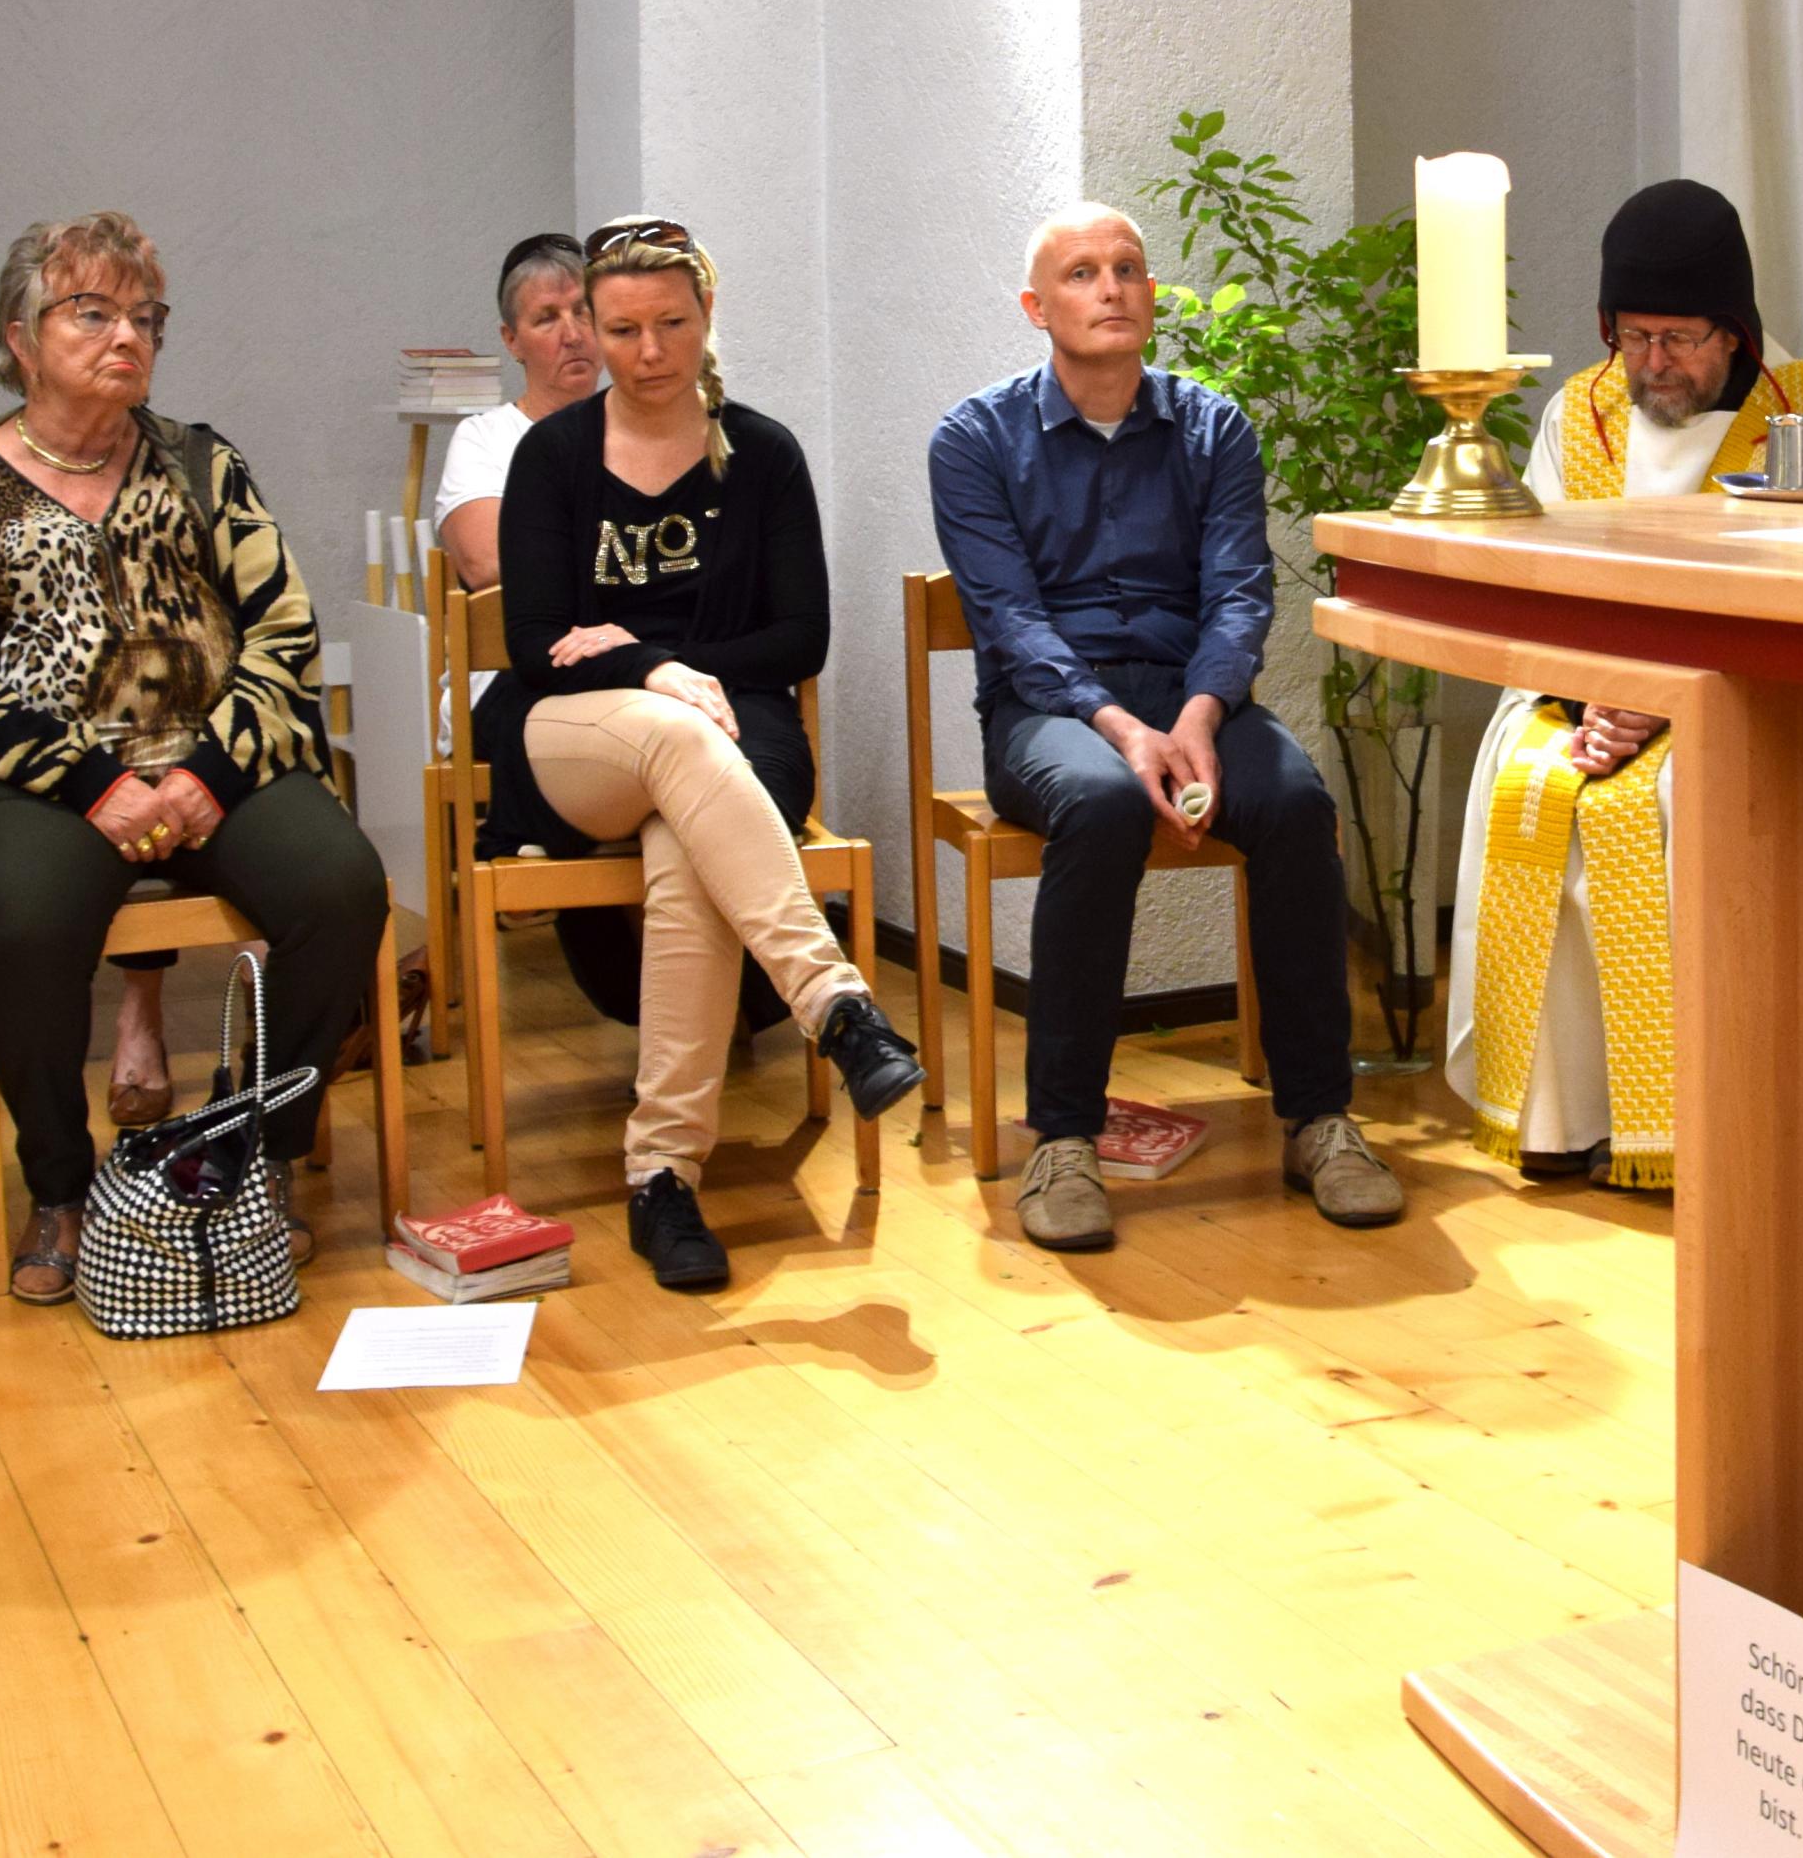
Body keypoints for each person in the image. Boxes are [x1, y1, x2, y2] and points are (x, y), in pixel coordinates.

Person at [0, 210, 388, 1306]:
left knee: (342, 887)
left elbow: (284, 632)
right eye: (92, 311)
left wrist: (206, 775)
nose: (127, 334)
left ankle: (253, 1155)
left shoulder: (204, 464)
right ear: (21, 336)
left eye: (145, 316)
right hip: (37, 784)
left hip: (213, 761)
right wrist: (94, 784)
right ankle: (61, 1187)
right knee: (23, 919)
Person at [927, 203, 1402, 1253]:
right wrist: (1120, 728)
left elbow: (1238, 591)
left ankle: (1319, 1117)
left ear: (1150, 291)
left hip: (1192, 696)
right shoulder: (974, 438)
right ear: (1035, 306)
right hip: (1050, 709)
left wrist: (1195, 712)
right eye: (1082, 272)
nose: (1111, 288)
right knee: (1100, 805)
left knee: (1295, 801)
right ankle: (1064, 1137)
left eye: (1128, 268)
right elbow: (1008, 618)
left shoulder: (1213, 426)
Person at [488, 216, 923, 1290]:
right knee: (679, 738)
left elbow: (801, 637)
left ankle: (664, 1178)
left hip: (736, 727)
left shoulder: (763, 453)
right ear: (592, 328)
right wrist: (655, 672)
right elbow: (534, 642)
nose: (648, 351)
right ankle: (835, 1004)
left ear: (707, 314)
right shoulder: (552, 455)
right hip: (576, 732)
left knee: (686, 843)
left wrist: (654, 658)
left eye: (671, 324)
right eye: (622, 328)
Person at [1442, 181, 1803, 1187]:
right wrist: (1594, 696)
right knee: (1530, 778)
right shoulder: (1582, 410)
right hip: (1581, 687)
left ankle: (1696, 1127)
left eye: (1679, 338)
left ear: (1734, 329)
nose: (1653, 362)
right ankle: (1556, 1114)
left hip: (1740, 691)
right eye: (1633, 334)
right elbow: (1540, 583)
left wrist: (1660, 699)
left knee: (1666, 796)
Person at [434, 232, 602, 592]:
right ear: (512, 341)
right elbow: (487, 562)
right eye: (547, 318)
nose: (573, 335)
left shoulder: (639, 427)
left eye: (582, 311)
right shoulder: (484, 438)